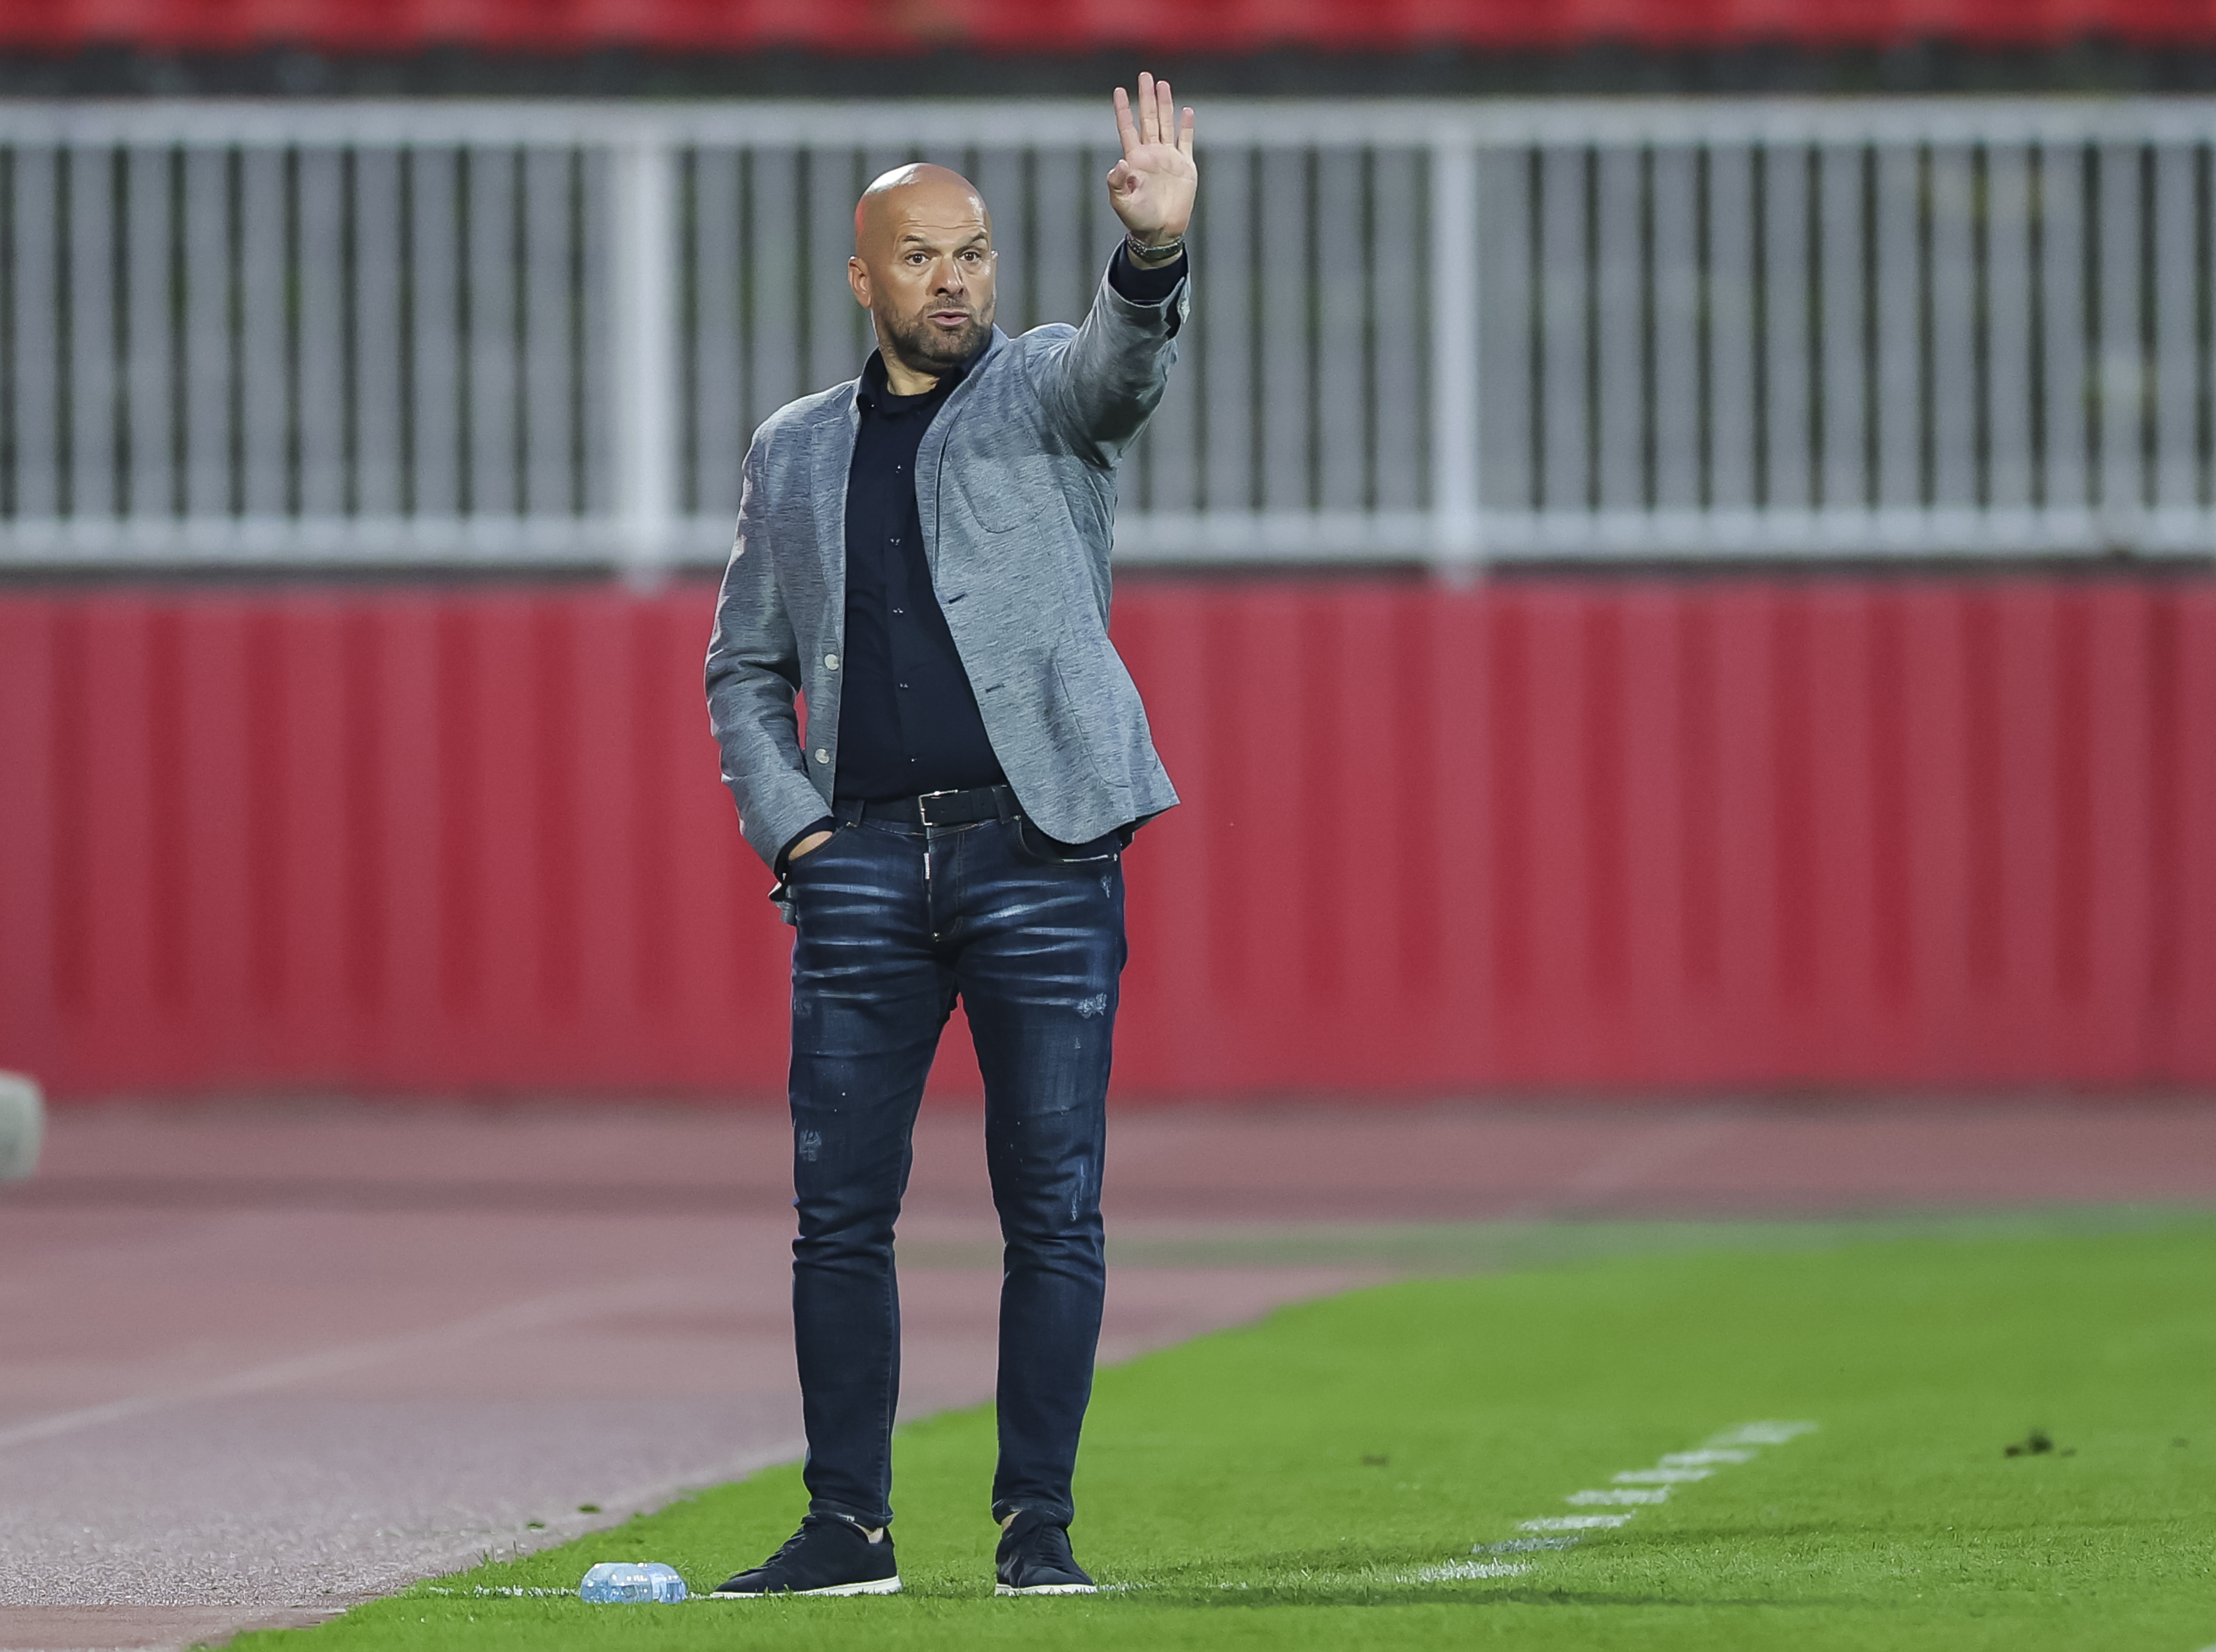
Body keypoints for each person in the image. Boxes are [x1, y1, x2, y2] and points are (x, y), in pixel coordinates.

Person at [701, 74, 1198, 1599]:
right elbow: (742, 666)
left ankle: (1034, 1531)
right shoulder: (792, 449)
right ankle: (845, 1527)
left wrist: (1154, 258)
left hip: (1040, 857)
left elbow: (1124, 372)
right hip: (856, 868)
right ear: (864, 277)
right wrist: (793, 837)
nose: (953, 279)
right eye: (920, 256)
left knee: (1049, 1207)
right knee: (837, 1216)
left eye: (973, 251)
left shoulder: (1045, 384)